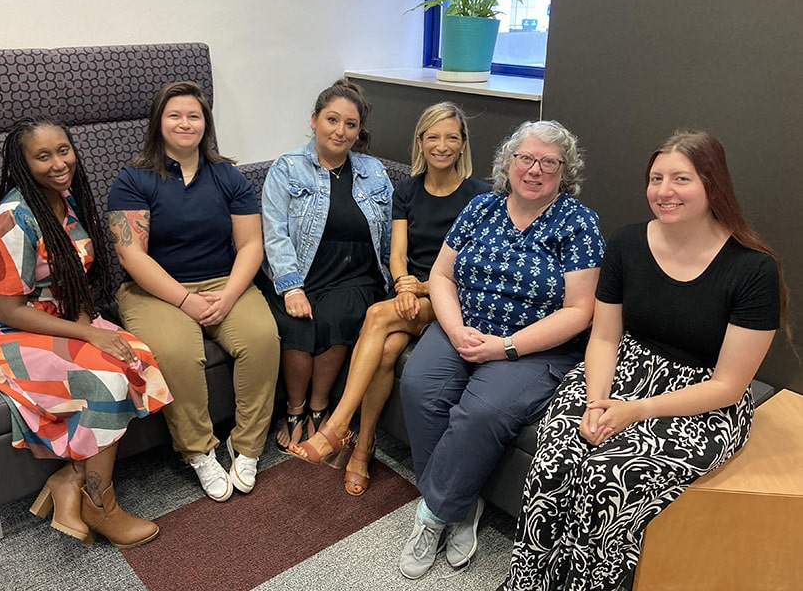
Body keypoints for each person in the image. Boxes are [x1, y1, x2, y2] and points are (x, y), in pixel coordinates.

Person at [502, 130, 786, 591]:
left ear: (713, 185)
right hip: (623, 368)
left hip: (699, 400)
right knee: (558, 452)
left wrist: (635, 411)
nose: (664, 191)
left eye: (681, 179)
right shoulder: (628, 242)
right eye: (656, 178)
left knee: (607, 474)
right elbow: (605, 337)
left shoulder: (753, 270)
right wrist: (597, 402)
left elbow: (730, 386)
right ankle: (531, 582)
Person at [397, 120, 606, 580]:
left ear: (563, 171)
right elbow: (441, 276)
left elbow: (579, 310)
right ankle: (464, 502)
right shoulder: (481, 207)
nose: (534, 170)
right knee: (418, 384)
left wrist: (505, 347)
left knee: (482, 412)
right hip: (463, 326)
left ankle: (433, 515)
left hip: (534, 346)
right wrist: (454, 331)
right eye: (525, 158)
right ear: (508, 162)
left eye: (548, 162)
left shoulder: (577, 223)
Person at [0, 115, 172, 549]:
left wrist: (84, 323)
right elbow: (12, 310)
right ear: (22, 163)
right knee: (106, 381)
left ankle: (67, 480)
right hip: (6, 332)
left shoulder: (67, 200)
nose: (59, 163)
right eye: (43, 156)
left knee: (139, 359)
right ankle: (101, 504)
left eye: (63, 150)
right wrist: (89, 336)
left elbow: (75, 277)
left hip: (64, 316)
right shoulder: (11, 220)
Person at [287, 102, 491, 497]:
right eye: (433, 136)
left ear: (463, 144)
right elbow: (398, 253)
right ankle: (362, 450)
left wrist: (420, 288)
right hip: (407, 292)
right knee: (384, 352)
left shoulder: (479, 196)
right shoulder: (408, 190)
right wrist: (402, 284)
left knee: (377, 316)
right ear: (420, 141)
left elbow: (470, 267)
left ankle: (337, 426)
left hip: (449, 295)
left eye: (452, 137)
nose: (442, 145)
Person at [107, 81, 279, 503]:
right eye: (175, 115)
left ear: (206, 124)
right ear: (158, 122)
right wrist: (185, 300)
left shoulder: (228, 176)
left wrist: (229, 293)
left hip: (223, 280)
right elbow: (131, 256)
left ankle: (248, 446)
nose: (185, 123)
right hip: (154, 289)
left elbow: (252, 245)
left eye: (194, 116)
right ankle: (200, 452)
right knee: (178, 354)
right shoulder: (133, 178)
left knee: (262, 339)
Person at [260, 79, 394, 453]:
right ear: (315, 120)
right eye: (332, 120)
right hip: (300, 270)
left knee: (337, 316)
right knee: (298, 321)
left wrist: (397, 280)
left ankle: (320, 408)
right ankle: (295, 408)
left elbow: (391, 232)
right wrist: (291, 286)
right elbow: (274, 233)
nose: (340, 131)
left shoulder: (374, 171)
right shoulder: (286, 168)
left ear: (358, 131)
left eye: (350, 124)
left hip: (355, 273)